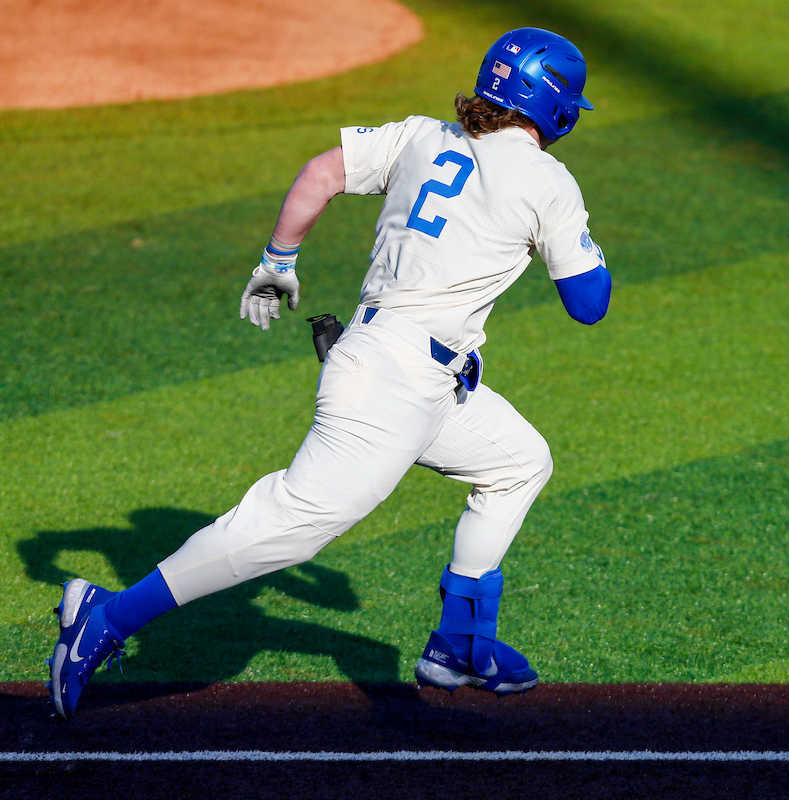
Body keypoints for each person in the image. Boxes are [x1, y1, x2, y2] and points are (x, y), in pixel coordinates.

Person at [47, 27, 610, 719]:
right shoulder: (548, 181)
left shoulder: (420, 136)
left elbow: (322, 172)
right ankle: (105, 617)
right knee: (292, 522)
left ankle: (461, 644)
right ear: (556, 107)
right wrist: (578, 239)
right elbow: (589, 304)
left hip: (416, 374)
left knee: (518, 463)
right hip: (392, 383)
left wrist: (277, 262)